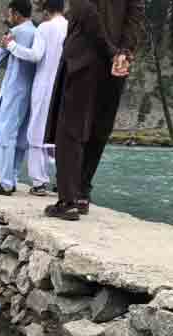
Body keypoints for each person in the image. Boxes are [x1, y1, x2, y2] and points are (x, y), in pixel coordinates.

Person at [44, 0, 145, 221]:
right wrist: (123, 52)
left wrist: (111, 51)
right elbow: (135, 15)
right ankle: (81, 195)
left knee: (70, 130)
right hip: (115, 64)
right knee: (99, 128)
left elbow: (84, 11)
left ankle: (68, 200)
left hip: (85, 57)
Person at [2, 0, 67, 196]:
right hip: (65, 87)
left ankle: (39, 182)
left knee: (37, 133)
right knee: (60, 134)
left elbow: (36, 55)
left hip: (44, 86)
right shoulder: (70, 27)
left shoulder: (45, 28)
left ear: (46, 9)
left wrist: (11, 45)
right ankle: (63, 180)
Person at [0, 0, 36, 196]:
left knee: (5, 135)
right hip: (31, 91)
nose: (8, 17)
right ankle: (12, 178)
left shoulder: (16, 33)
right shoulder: (36, 31)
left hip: (14, 89)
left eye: (9, 13)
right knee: (21, 137)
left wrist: (2, 47)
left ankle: (4, 182)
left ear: (16, 13)